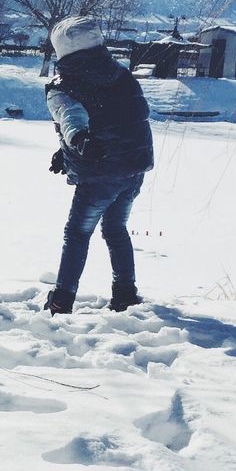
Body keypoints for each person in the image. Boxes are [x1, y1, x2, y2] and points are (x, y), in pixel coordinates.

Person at [44, 16, 154, 315]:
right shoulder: (121, 75)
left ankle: (62, 299)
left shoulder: (62, 86)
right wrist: (65, 151)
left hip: (100, 174)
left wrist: (78, 141)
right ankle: (125, 293)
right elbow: (116, 119)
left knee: (77, 233)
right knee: (116, 229)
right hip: (132, 170)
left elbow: (72, 118)